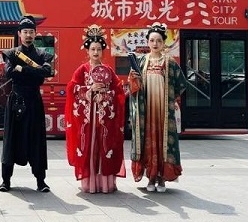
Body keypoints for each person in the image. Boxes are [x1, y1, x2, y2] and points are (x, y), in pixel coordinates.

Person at [128, 22, 191, 193]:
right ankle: (151, 176)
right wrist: (133, 79)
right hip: (146, 110)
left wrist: (171, 99)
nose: (155, 43)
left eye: (158, 41)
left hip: (163, 111)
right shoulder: (142, 61)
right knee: (148, 142)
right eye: (152, 40)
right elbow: (132, 87)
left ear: (164, 43)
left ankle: (162, 178)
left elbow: (181, 84)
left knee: (163, 142)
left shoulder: (170, 62)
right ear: (147, 42)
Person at [64, 25, 126, 193]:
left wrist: (106, 94)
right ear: (87, 51)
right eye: (93, 49)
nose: (96, 52)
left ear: (103, 51)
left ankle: (105, 184)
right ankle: (89, 183)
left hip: (104, 117)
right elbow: (71, 89)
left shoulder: (108, 70)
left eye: (99, 49)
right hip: (88, 119)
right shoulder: (82, 70)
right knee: (89, 147)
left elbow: (118, 91)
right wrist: (89, 91)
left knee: (105, 145)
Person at [0, 15, 54, 193]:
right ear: (19, 34)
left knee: (37, 139)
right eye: (25, 32)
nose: (28, 35)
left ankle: (41, 181)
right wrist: (34, 71)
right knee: (11, 139)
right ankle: (5, 180)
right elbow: (9, 73)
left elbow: (47, 72)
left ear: (35, 34)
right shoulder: (11, 53)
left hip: (34, 100)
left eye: (31, 32)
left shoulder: (42, 54)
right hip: (16, 100)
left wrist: (22, 69)